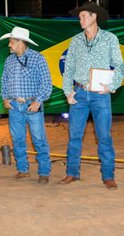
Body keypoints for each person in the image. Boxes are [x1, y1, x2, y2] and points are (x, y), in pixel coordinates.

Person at [59, 1, 124, 189]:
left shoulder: (110, 39)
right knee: (74, 136)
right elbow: (68, 68)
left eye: (83, 16)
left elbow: (119, 66)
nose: (80, 20)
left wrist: (110, 86)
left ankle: (108, 175)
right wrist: (68, 91)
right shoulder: (76, 41)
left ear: (94, 16)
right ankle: (72, 173)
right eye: (79, 17)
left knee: (104, 136)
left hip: (100, 95)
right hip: (79, 93)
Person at [0, 26, 52, 184]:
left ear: (20, 42)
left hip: (32, 105)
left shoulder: (38, 58)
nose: (9, 45)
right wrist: (5, 98)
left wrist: (38, 101)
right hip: (15, 106)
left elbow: (47, 83)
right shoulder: (9, 60)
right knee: (18, 140)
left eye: (11, 42)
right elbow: (4, 81)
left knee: (39, 139)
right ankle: (23, 169)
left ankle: (44, 171)